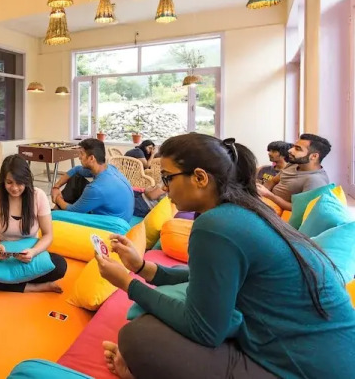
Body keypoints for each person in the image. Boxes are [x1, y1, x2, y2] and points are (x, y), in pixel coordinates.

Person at [93, 133, 355, 379]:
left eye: (167, 177)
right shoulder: (246, 211)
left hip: (309, 368)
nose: (164, 187)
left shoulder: (216, 225)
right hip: (331, 355)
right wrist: (141, 267)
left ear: (200, 178)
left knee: (137, 337)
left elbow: (204, 329)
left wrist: (127, 283)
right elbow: (209, 281)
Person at [0, 155, 67, 293]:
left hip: (30, 253)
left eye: (19, 183)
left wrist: (34, 251)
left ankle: (8, 282)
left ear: (26, 180)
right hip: (3, 255)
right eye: (9, 182)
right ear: (3, 180)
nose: (14, 188)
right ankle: (31, 287)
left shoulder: (38, 196)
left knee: (60, 265)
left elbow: (48, 235)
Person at [51, 138, 134, 223]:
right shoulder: (109, 168)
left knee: (54, 215)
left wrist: (57, 198)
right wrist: (56, 187)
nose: (79, 157)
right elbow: (76, 170)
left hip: (112, 224)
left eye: (82, 154)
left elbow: (72, 210)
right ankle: (57, 209)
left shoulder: (96, 188)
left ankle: (55, 213)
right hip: (118, 215)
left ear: (91, 158)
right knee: (77, 177)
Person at [257, 134, 331, 212]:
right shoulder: (293, 164)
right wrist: (260, 195)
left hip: (278, 212)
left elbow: (300, 209)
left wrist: (269, 195)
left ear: (314, 156)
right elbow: (273, 181)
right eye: (293, 147)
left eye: (297, 149)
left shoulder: (315, 180)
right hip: (267, 202)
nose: (290, 150)